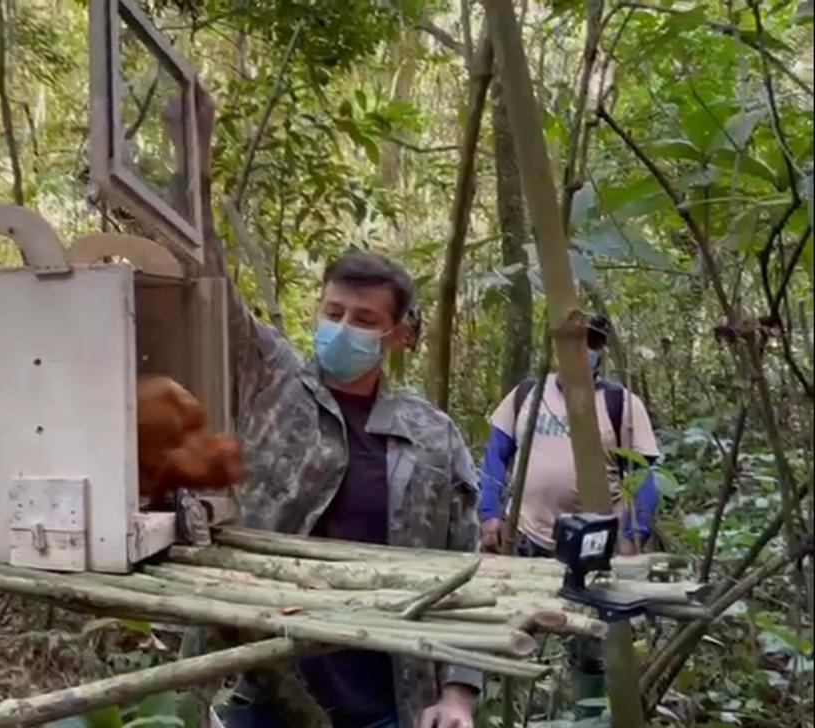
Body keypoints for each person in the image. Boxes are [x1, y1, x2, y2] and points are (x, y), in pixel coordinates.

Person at [188, 86, 481, 728]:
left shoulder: (434, 438)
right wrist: (196, 159)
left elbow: (465, 570)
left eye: (364, 319)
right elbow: (206, 276)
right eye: (333, 312)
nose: (344, 327)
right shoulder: (271, 379)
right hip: (264, 685)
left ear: (398, 335)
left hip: (392, 700)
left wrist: (458, 695)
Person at [477, 314, 661, 557]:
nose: (583, 349)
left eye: (592, 343)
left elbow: (644, 477)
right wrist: (489, 515)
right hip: (525, 537)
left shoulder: (622, 404)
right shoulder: (528, 394)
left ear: (601, 352)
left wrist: (632, 537)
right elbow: (495, 455)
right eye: (575, 340)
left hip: (595, 543)